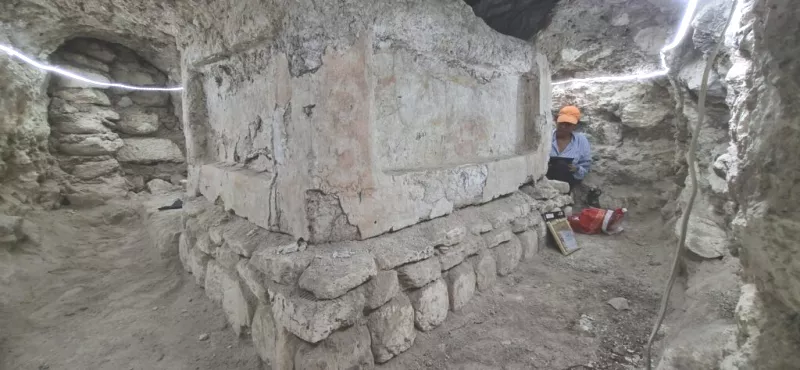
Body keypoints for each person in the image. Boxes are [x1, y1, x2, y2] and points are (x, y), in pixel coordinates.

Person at [547, 105, 591, 192]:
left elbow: (586, 166)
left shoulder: (581, 140)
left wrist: (576, 168)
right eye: (561, 123)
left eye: (568, 124)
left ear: (575, 125)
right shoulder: (547, 137)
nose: (563, 127)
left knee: (562, 165)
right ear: (556, 121)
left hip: (569, 179)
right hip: (547, 177)